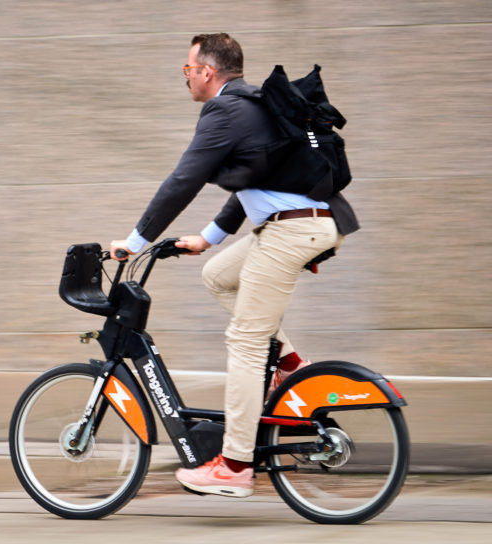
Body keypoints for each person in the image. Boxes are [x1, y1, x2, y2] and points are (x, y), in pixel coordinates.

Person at [109, 33, 359, 498]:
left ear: (207, 71)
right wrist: (208, 239)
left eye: (188, 69)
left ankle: (235, 466)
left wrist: (135, 241)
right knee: (218, 276)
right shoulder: (254, 104)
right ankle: (290, 365)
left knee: (245, 342)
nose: (186, 77)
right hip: (308, 223)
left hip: (293, 229)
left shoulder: (225, 111)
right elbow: (253, 181)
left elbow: (184, 179)